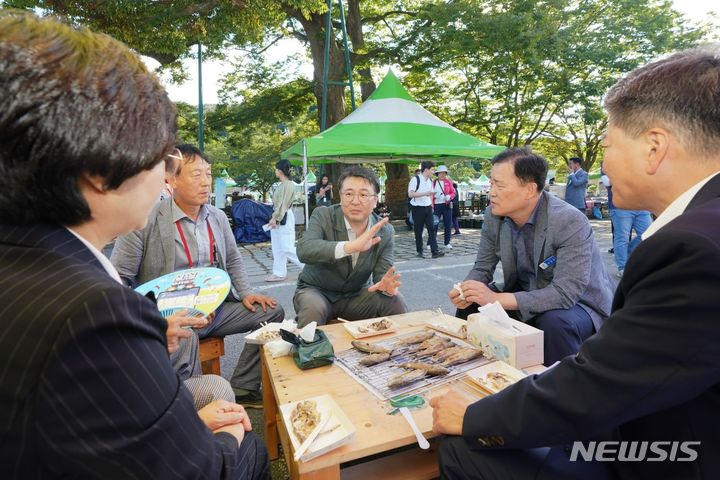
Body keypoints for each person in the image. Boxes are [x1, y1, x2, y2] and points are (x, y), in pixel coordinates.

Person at [432, 44, 720, 480]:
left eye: (606, 144)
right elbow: (482, 267)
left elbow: (600, 381)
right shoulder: (700, 227)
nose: (601, 163)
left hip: (674, 455)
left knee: (464, 447)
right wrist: (473, 290)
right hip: (662, 421)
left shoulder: (691, 248)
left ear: (654, 147)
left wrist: (474, 416)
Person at [0, 11, 267, 479]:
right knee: (250, 448)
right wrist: (221, 436)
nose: (168, 179)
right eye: (164, 161)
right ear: (99, 173)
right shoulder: (98, 316)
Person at [111, 144, 284, 408]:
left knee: (272, 312)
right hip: (172, 316)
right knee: (185, 335)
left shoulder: (217, 217)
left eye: (209, 174)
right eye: (196, 175)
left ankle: (243, 387)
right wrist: (154, 317)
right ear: (171, 179)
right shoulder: (145, 220)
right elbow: (119, 279)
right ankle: (192, 408)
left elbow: (234, 259)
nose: (206, 182)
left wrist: (247, 292)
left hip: (215, 310)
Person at [449, 147, 614, 365]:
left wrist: (496, 299)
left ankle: (564, 390)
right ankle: (476, 373)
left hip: (581, 304)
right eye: (491, 184)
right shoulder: (493, 215)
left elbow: (565, 293)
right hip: (525, 289)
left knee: (554, 322)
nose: (492, 192)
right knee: (471, 306)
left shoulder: (568, 220)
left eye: (499, 185)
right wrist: (466, 289)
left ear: (529, 190)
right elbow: (482, 266)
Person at [293, 166, 407, 327]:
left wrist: (385, 286)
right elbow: (304, 250)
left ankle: (396, 350)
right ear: (340, 197)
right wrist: (350, 246)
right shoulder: (323, 215)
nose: (355, 201)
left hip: (356, 296)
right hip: (317, 291)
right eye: (349, 194)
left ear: (375, 200)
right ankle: (308, 350)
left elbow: (383, 274)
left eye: (363, 194)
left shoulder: (384, 231)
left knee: (395, 301)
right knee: (313, 309)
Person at [605, 173, 653, 277]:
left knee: (650, 232)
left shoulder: (641, 160)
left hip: (642, 205)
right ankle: (623, 267)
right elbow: (606, 182)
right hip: (621, 206)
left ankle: (627, 253)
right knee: (622, 237)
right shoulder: (610, 161)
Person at [266, 159, 304, 282]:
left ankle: (308, 266)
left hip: (284, 216)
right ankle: (279, 273)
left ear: (281, 170)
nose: (275, 171)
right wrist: (275, 218)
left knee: (286, 247)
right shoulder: (282, 185)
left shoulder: (289, 185)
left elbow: (284, 204)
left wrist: (275, 218)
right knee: (277, 247)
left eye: (276, 169)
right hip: (280, 216)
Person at [409, 161, 445, 259]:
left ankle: (435, 251)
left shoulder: (429, 181)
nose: (433, 172)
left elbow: (429, 194)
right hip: (417, 207)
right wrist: (425, 193)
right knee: (418, 230)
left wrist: (431, 206)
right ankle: (419, 251)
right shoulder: (415, 179)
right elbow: (411, 194)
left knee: (431, 229)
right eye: (432, 169)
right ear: (426, 170)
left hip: (428, 206)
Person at [433, 165, 457, 250]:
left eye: (444, 173)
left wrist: (449, 197)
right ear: (437, 174)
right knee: (434, 223)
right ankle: (432, 242)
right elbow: (430, 194)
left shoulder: (449, 182)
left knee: (447, 224)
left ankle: (447, 242)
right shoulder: (433, 182)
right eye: (440, 173)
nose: (442, 175)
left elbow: (453, 193)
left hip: (446, 205)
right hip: (436, 205)